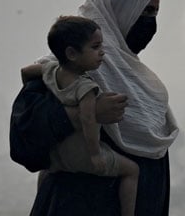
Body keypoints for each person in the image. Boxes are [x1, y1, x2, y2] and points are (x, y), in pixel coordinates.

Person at [19, 0, 179, 216]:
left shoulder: (137, 78)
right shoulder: (65, 67)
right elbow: (26, 132)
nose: (150, 22)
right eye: (144, 11)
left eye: (154, 12)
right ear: (118, 10)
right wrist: (87, 113)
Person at [24, 15, 139, 216]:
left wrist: (32, 89)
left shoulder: (51, 70)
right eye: (95, 47)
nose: (102, 52)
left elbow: (25, 72)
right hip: (82, 155)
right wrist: (94, 154)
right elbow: (88, 119)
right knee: (132, 171)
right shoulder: (87, 87)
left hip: (57, 153)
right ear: (72, 53)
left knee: (47, 172)